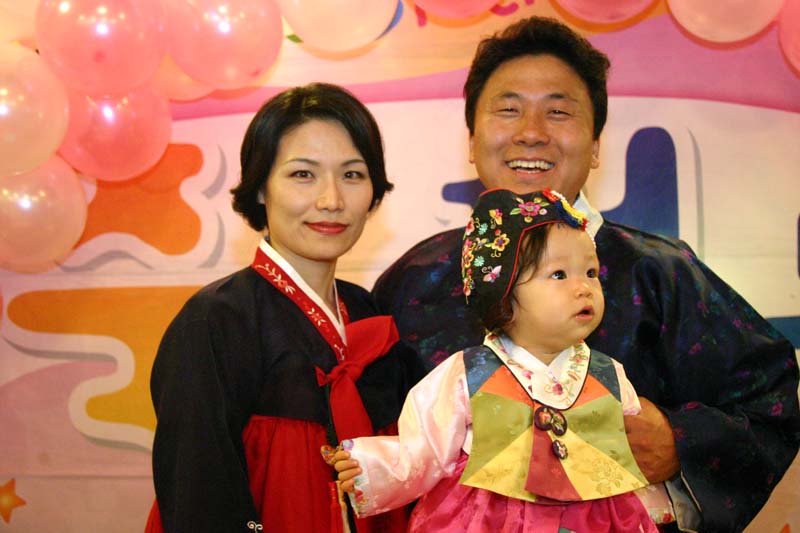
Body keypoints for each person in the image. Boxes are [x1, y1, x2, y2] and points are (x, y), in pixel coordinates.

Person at [372, 16, 800, 533]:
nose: (531, 133)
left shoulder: (660, 272)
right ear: (472, 138)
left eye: (558, 111)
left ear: (596, 145)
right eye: (508, 109)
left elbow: (770, 397)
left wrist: (680, 442)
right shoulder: (414, 281)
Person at [145, 83, 422, 533]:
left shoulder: (368, 311)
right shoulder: (214, 321)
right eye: (303, 174)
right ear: (260, 188)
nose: (332, 200)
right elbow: (198, 493)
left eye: (352, 175)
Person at [332, 188, 674, 532]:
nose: (584, 287)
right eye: (559, 274)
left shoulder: (608, 374)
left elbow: (630, 456)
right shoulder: (468, 374)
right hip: (490, 520)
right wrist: (369, 467)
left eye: (590, 273)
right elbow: (424, 450)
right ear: (503, 294)